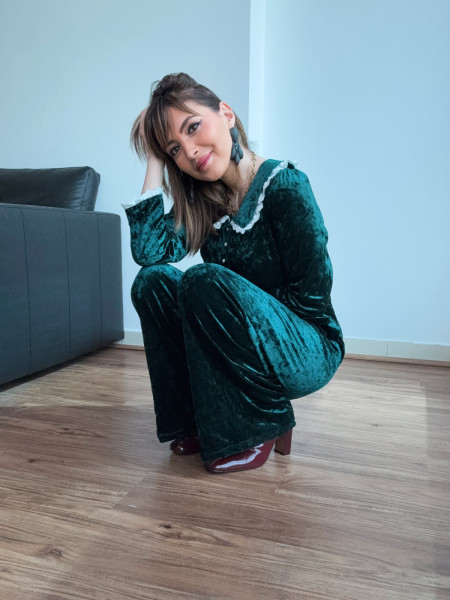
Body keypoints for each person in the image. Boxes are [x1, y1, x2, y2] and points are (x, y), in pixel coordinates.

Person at [124, 72, 344, 474]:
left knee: (202, 279)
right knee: (152, 283)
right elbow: (149, 253)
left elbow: (312, 297)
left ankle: (260, 422)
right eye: (175, 149)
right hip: (243, 347)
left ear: (225, 114)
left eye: (193, 127)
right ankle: (197, 419)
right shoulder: (205, 204)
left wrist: (244, 313)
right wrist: (154, 156)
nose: (190, 151)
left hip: (307, 346)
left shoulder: (285, 186)